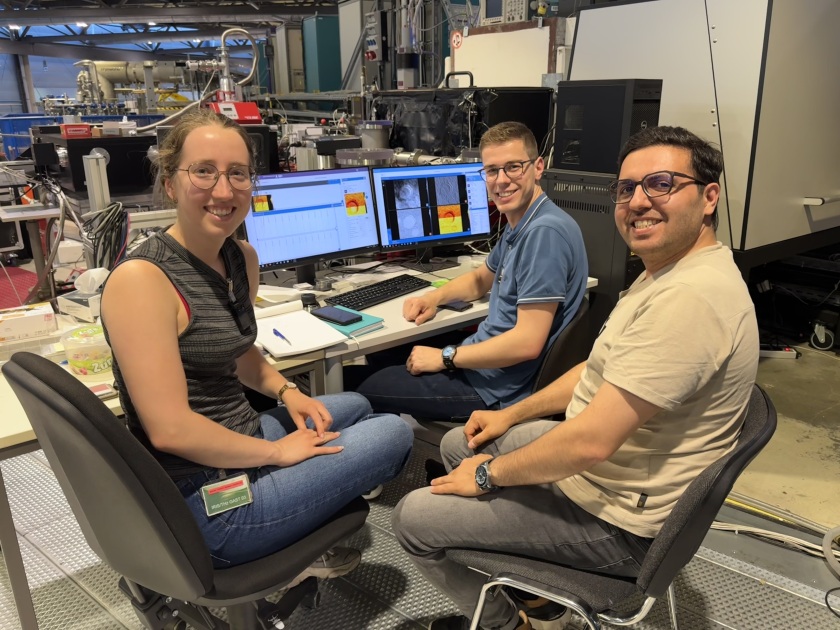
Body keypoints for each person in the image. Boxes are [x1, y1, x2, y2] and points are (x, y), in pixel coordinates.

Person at [391, 125, 760, 630]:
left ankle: (508, 624)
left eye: (661, 184)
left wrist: (488, 477)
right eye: (627, 189)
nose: (638, 202)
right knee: (462, 443)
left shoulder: (690, 300)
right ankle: (541, 603)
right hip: (612, 475)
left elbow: (590, 442)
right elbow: (599, 367)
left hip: (618, 522)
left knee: (412, 517)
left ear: (709, 196)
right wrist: (511, 414)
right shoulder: (668, 272)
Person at [100, 109, 413, 574]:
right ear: (170, 182)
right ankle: (288, 535)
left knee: (353, 407)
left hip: (237, 439)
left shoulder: (239, 255)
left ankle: (302, 506)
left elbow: (240, 351)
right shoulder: (143, 281)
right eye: (203, 171)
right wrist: (277, 453)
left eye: (238, 174)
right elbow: (170, 430)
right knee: (396, 431)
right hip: (205, 501)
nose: (223, 191)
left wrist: (289, 392)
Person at [348, 121, 588, 419]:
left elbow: (528, 343)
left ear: (538, 167)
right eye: (491, 170)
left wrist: (446, 357)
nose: (501, 180)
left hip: (494, 387)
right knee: (382, 354)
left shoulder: (544, 234)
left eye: (513, 167)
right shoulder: (524, 222)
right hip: (484, 364)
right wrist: (433, 299)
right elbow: (479, 280)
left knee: (353, 385)